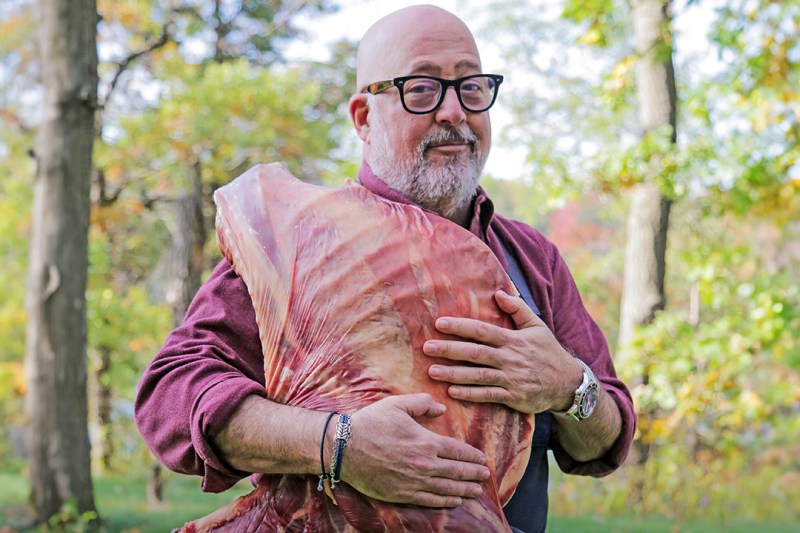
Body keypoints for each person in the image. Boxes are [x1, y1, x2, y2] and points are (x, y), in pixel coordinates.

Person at [134, 5, 636, 532]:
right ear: (363, 117)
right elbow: (170, 399)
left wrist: (569, 388)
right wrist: (336, 444)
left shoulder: (533, 259)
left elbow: (608, 439)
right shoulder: (299, 241)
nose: (453, 112)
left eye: (472, 87)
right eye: (422, 89)